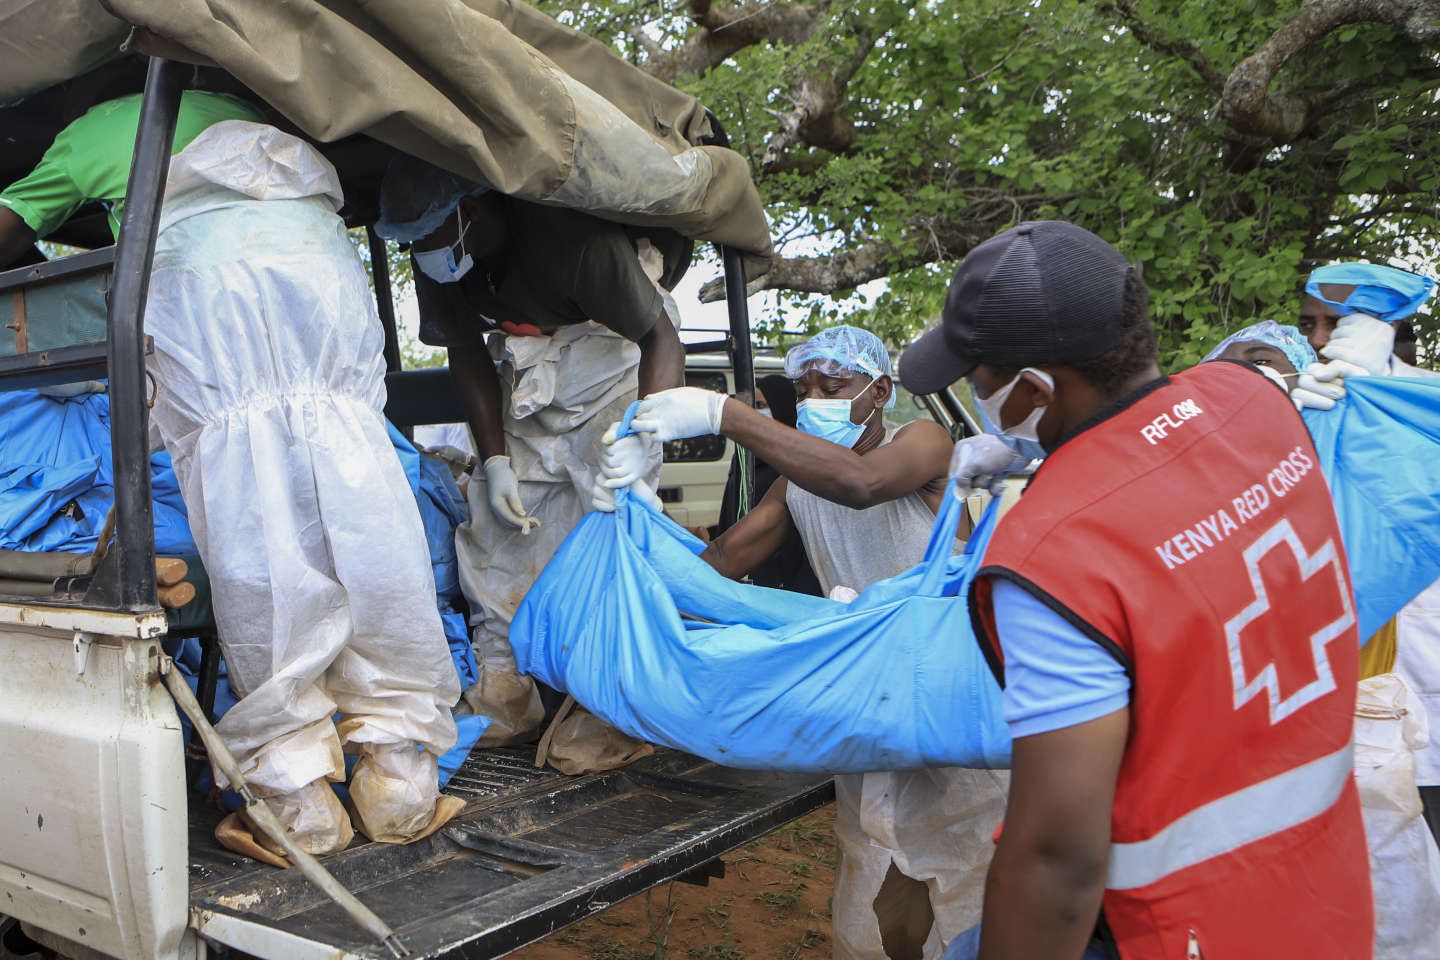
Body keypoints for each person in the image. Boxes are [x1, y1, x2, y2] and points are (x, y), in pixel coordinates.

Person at [0, 92, 461, 856]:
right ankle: (401, 784)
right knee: (368, 515)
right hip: (323, 285)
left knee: (261, 538)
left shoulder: (95, 129)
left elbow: (9, 231)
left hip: (216, 293)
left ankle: (299, 807)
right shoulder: (256, 105)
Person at [898, 220, 1371, 960]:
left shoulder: (1053, 555)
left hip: (1174, 925)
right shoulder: (1255, 400)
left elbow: (1058, 861)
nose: (972, 392)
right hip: (1318, 884)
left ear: (1033, 387)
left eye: (977, 376)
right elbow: (1168, 460)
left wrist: (1058, 485)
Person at [597, 325, 1008, 960]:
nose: (814, 397)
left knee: (969, 866)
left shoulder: (919, 442)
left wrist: (721, 414)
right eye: (805, 386)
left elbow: (861, 484)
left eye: (833, 385)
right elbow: (731, 555)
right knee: (874, 856)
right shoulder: (800, 482)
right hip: (865, 696)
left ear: (879, 392)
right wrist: (633, 539)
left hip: (948, 688)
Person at [376, 158, 690, 752]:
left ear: (469, 212)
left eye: (428, 239)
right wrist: (493, 462)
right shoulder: (439, 255)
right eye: (409, 244)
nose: (420, 254)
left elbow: (661, 340)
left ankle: (614, 701)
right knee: (497, 527)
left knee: (610, 523)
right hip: (530, 378)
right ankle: (505, 691)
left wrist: (645, 435)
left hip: (616, 364)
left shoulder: (572, 243)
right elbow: (465, 353)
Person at [715, 373, 821, 595]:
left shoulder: (794, 468)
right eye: (749, 405)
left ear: (781, 406)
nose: (752, 412)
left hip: (782, 591)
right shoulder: (744, 459)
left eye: (760, 405)